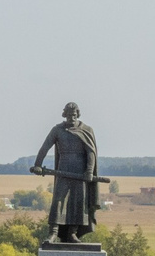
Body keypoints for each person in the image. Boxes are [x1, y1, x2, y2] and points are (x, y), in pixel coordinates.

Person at [29, 102, 101, 243]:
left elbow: (91, 152)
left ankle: (73, 233)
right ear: (64, 115)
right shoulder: (57, 130)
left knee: (78, 201)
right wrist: (38, 164)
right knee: (59, 200)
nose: (71, 118)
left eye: (74, 115)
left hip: (80, 172)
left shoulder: (86, 130)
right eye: (68, 115)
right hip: (63, 169)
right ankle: (53, 232)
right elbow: (45, 147)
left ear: (78, 114)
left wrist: (89, 171)